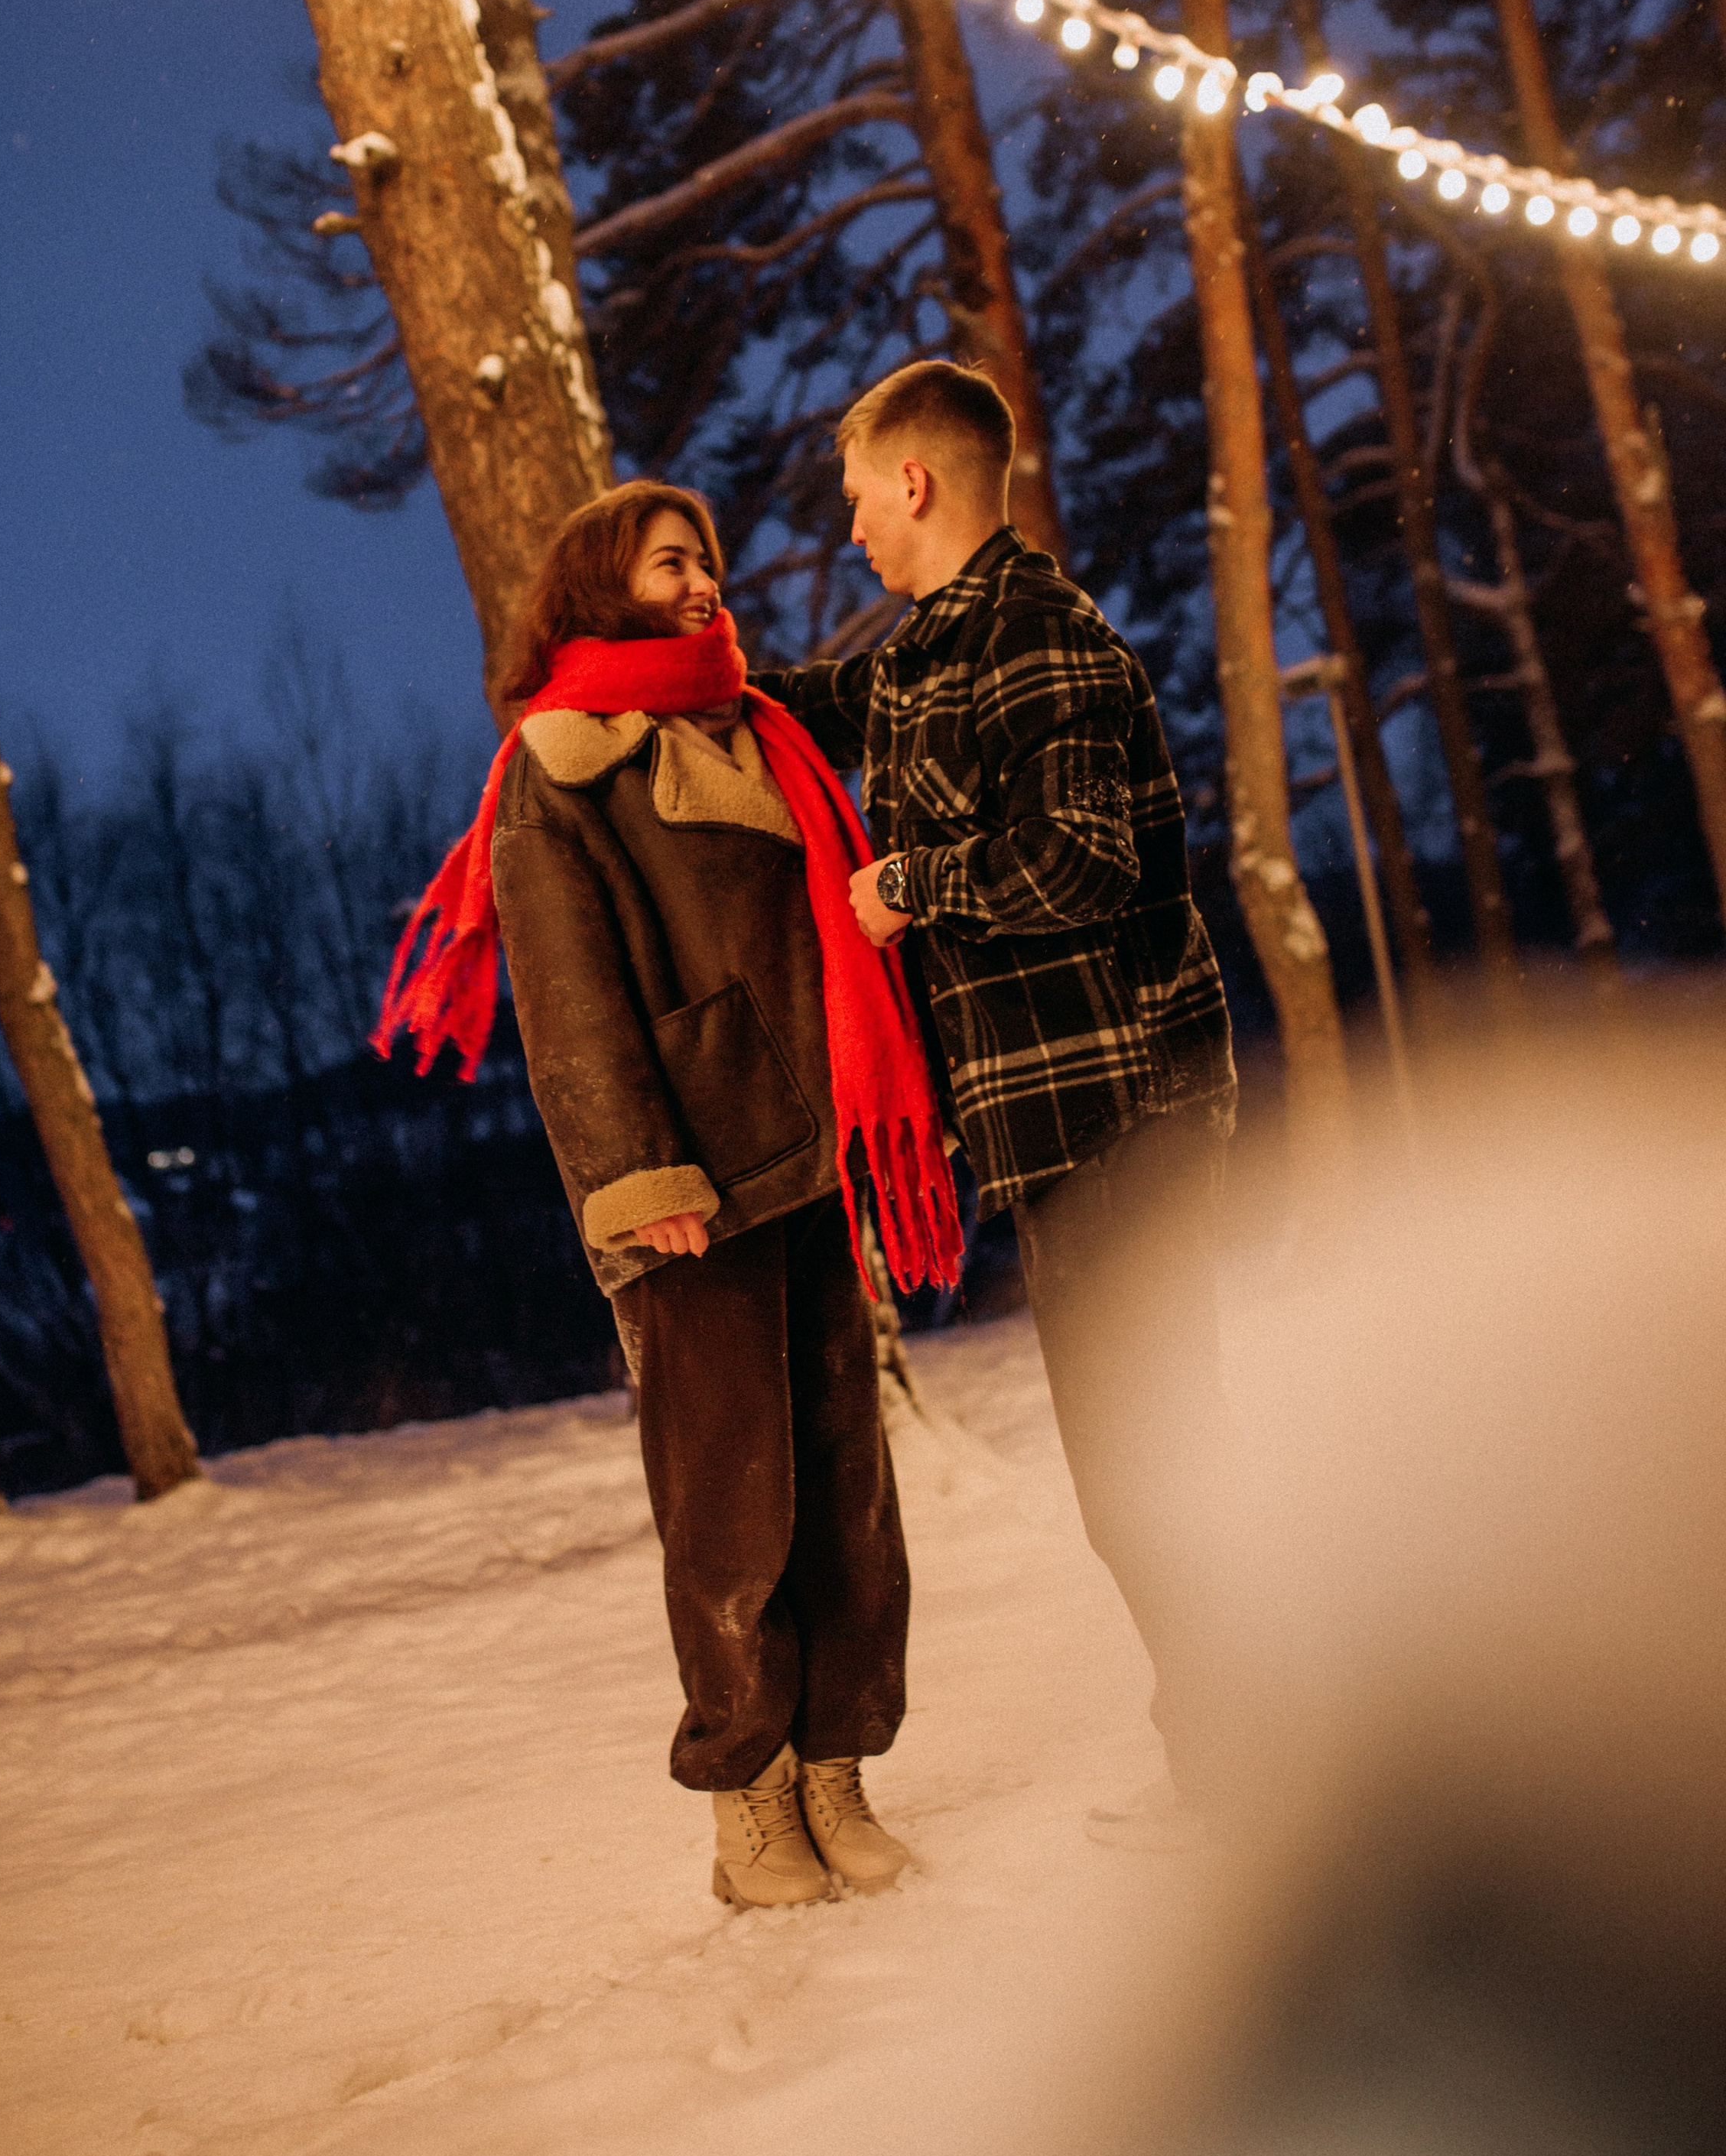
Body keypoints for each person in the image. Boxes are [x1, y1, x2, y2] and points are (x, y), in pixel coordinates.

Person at [374, 480, 964, 1909]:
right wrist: (638, 1178)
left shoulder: (761, 730)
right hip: (688, 1187)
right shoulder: (560, 765)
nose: (703, 585)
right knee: (728, 1511)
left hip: (811, 1161)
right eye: (668, 565)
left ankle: (839, 1768)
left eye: (704, 561)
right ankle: (749, 1804)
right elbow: (568, 1003)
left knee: (846, 1489)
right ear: (600, 589)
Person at [756, 362, 1237, 1850]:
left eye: (853, 498)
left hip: (1120, 1111)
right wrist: (688, 670)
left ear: (915, 482)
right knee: (1141, 1471)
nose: (845, 531)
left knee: (1157, 1469)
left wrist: (909, 885)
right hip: (1050, 1125)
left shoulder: (1038, 639)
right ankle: (1249, 1760)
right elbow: (825, 702)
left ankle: (1265, 1774)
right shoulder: (931, 657)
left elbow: (1076, 860)